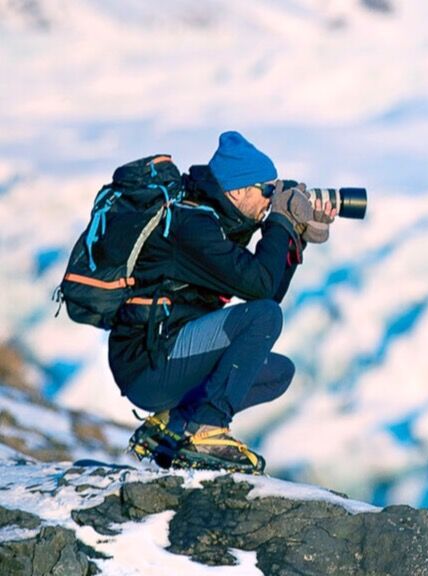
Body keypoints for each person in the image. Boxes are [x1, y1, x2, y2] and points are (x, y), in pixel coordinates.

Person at [110, 131, 334, 473]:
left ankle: (172, 424)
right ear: (238, 190)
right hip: (148, 362)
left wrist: (295, 236)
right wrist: (281, 222)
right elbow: (261, 298)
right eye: (267, 191)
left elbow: (267, 290)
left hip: (167, 354)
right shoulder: (192, 225)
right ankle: (208, 429)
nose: (270, 200)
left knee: (277, 373)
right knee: (263, 318)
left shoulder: (214, 222)